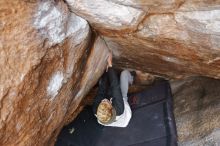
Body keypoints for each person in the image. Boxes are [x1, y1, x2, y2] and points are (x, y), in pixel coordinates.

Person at [93, 53, 134, 127]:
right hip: (123, 118)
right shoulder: (119, 109)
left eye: (101, 103)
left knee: (104, 83)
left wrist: (106, 71)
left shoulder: (96, 109)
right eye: (106, 102)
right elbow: (115, 86)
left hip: (109, 119)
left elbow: (101, 90)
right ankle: (131, 79)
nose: (103, 100)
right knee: (124, 73)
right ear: (112, 108)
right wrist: (110, 65)